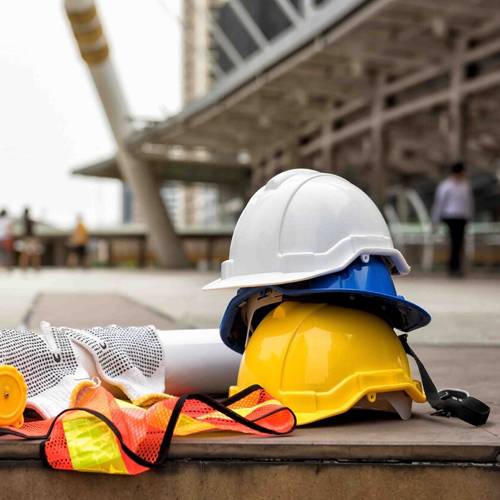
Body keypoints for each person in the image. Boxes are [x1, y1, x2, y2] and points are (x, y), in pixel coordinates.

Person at [431, 162, 474, 276]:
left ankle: (456, 265)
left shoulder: (465, 185)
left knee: (459, 242)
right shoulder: (446, 186)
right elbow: (439, 203)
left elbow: (468, 202)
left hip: (462, 217)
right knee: (455, 241)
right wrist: (435, 219)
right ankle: (454, 266)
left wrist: (469, 216)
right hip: (450, 216)